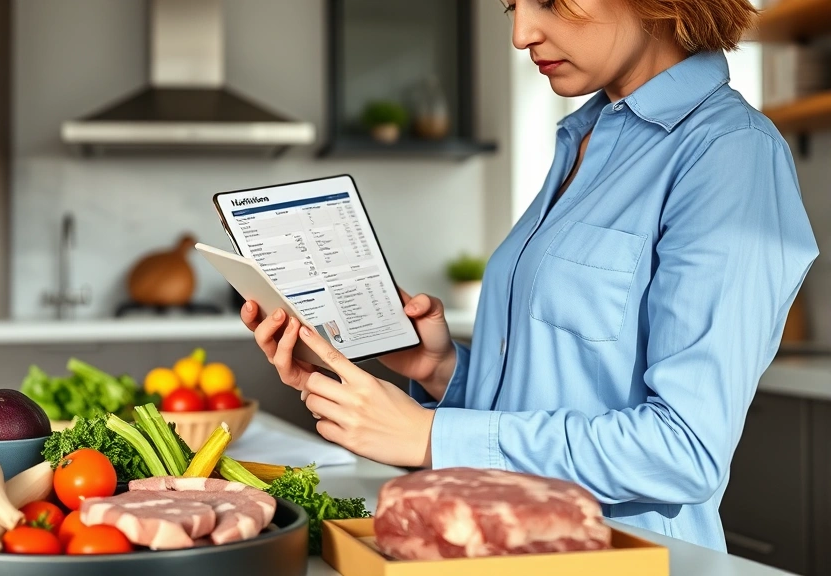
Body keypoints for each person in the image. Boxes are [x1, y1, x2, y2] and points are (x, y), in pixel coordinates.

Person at [240, 0, 819, 551]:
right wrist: (443, 370)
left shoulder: (729, 152)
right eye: (511, 7)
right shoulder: (584, 139)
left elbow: (683, 450)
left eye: (550, 1)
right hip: (504, 545)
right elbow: (565, 391)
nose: (521, 35)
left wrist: (432, 437)